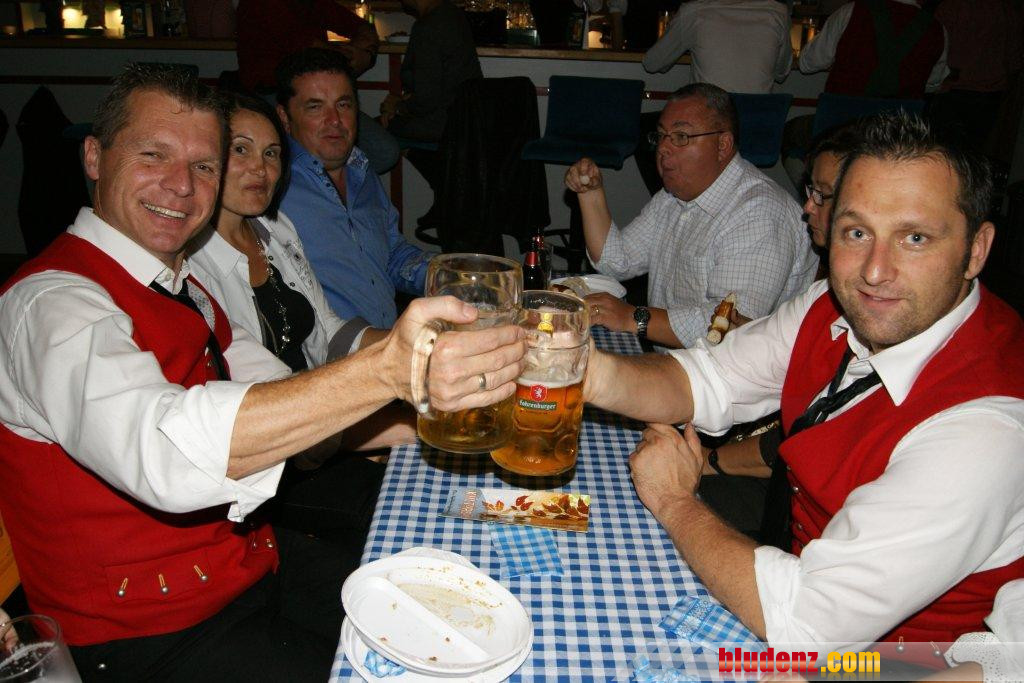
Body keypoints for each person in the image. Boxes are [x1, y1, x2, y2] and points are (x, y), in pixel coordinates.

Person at [0, 63, 525, 681]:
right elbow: (165, 453)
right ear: (94, 156)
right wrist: (384, 371)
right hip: (147, 637)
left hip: (251, 571)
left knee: (460, 614)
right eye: (153, 154)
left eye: (203, 165)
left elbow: (287, 401)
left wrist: (440, 414)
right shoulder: (50, 305)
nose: (181, 185)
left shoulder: (186, 286)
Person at [582, 111, 1024, 657]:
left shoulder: (987, 431)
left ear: (976, 249)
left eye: (914, 238)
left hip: (892, 664)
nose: (874, 271)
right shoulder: (830, 304)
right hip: (794, 586)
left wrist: (674, 500)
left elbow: (809, 627)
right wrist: (582, 371)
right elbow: (709, 378)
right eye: (857, 232)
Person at [187, 91, 414, 543]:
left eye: (272, 153)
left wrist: (411, 344)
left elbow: (330, 331)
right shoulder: (190, 264)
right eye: (241, 150)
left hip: (324, 423)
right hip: (272, 462)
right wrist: (393, 424)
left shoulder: (275, 229)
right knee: (409, 506)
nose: (260, 168)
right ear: (205, 158)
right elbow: (259, 402)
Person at [696, 121, 863, 540]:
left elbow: (800, 440)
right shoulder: (825, 293)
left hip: (807, 514)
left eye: (822, 194)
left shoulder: (878, 305)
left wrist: (708, 462)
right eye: (811, 191)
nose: (807, 207)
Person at [565, 83, 817, 350]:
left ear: (722, 145)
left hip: (732, 371)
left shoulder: (760, 212)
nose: (663, 148)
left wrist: (632, 317)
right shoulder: (673, 197)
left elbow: (729, 328)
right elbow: (618, 261)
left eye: (681, 136)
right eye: (661, 136)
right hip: (680, 362)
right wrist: (590, 194)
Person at [277, 48, 433, 330]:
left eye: (344, 104)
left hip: (388, 340)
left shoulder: (361, 170)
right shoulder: (272, 186)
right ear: (285, 118)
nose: (334, 120)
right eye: (315, 107)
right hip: (328, 353)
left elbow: (391, 256)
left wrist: (452, 274)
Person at [235, 0, 401, 174]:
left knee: (383, 151)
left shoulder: (313, 4)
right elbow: (303, 46)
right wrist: (359, 54)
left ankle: (326, 184)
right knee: (377, 151)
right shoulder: (264, 5)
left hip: (314, 93)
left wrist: (364, 50)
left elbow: (360, 27)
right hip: (267, 96)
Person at [798, 0, 949, 98]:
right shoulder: (937, 30)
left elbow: (807, 63)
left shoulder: (850, 12)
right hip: (898, 129)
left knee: (796, 129)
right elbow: (933, 84)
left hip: (842, 123)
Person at [642, 0, 793, 94]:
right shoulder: (779, 13)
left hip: (709, 125)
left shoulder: (695, 12)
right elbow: (782, 72)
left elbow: (652, 63)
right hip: (758, 125)